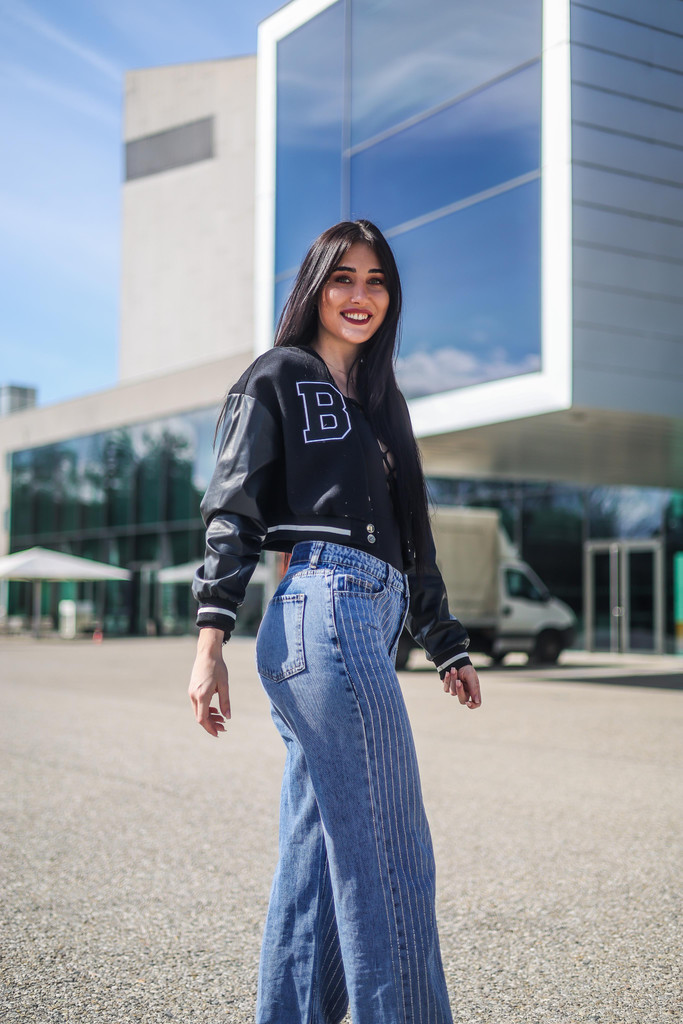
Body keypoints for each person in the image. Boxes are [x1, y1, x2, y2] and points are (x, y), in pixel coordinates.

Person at [188, 219, 482, 1024]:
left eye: (376, 281)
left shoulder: (385, 404)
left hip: (367, 615)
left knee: (318, 855)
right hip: (323, 605)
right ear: (314, 287)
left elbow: (414, 536)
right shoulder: (280, 373)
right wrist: (209, 643)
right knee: (389, 844)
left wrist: (444, 642)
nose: (360, 295)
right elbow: (232, 507)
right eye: (343, 278)